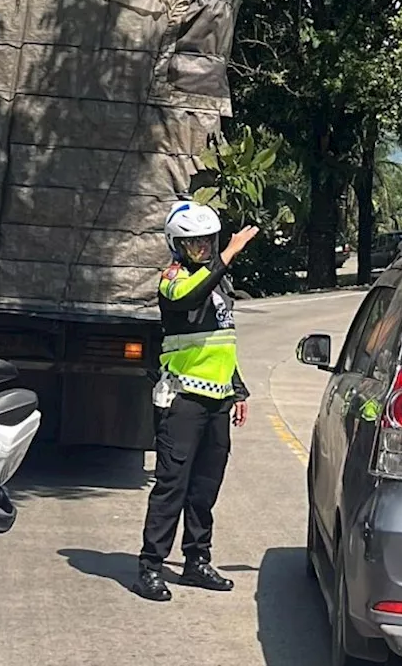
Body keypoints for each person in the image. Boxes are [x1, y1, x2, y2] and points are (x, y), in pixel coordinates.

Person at [134, 201, 259, 602]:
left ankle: (196, 559)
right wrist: (226, 256)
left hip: (217, 400)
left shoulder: (219, 284)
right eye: (193, 245)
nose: (202, 250)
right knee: (172, 484)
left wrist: (237, 389)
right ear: (177, 246)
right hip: (182, 399)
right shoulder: (173, 278)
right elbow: (188, 298)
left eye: (208, 242)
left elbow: (223, 342)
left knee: (206, 486)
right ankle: (151, 566)